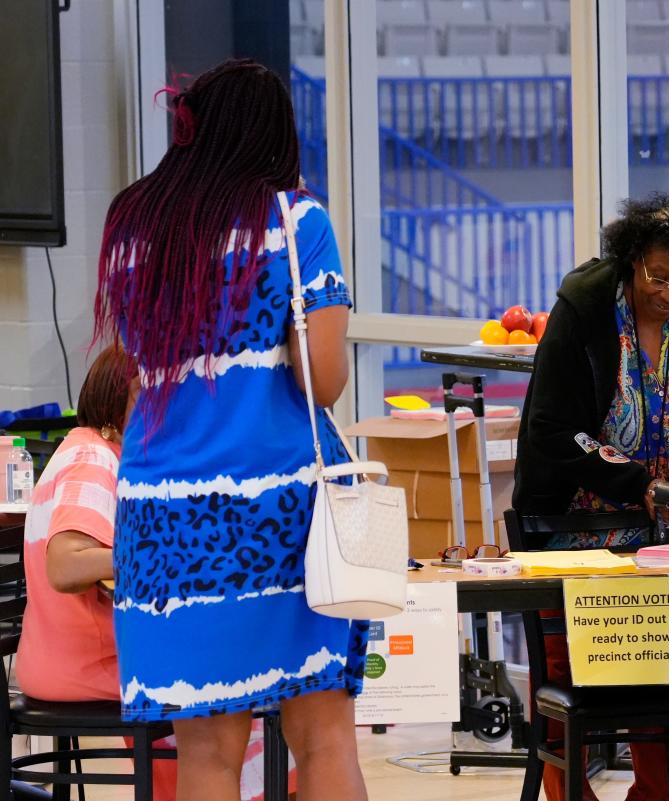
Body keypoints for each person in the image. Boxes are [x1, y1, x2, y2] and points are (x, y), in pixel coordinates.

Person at [94, 60, 364, 801]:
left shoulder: (130, 226)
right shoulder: (295, 221)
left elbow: (141, 362)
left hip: (160, 518)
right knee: (323, 735)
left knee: (208, 754)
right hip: (278, 512)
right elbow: (325, 380)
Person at [14, 347, 293, 801]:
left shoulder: (95, 451)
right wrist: (160, 553)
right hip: (86, 664)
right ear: (125, 397)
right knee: (235, 683)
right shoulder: (92, 459)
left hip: (70, 658)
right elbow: (65, 565)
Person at [513, 192, 669, 801]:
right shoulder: (584, 309)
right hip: (573, 530)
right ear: (632, 260)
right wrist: (644, 489)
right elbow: (553, 429)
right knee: (567, 678)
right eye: (660, 277)